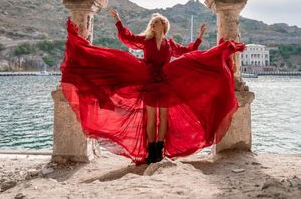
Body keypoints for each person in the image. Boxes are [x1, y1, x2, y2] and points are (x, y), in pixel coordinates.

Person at [60, 9, 245, 165]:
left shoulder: (170, 44)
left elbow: (187, 51)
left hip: (164, 83)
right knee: (151, 118)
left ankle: (159, 151)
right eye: (153, 22)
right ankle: (150, 152)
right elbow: (127, 38)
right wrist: (118, 21)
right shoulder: (146, 40)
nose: (154, 24)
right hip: (148, 82)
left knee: (163, 117)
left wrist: (199, 38)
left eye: (157, 22)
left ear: (163, 26)